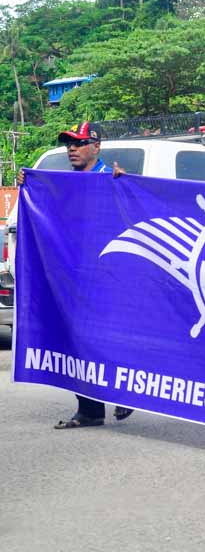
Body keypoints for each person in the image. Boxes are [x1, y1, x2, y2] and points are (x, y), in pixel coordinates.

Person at [16, 121, 131, 429]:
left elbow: (132, 214)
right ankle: (90, 410)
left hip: (107, 277)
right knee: (77, 339)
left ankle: (126, 394)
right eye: (69, 143)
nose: (72, 148)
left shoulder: (112, 178)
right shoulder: (64, 184)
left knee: (108, 339)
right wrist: (30, 183)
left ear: (96, 146)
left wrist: (127, 185)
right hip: (74, 276)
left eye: (79, 143)